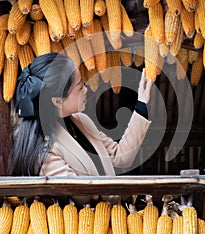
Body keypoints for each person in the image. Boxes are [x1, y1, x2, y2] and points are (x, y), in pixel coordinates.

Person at [9, 52, 153, 179]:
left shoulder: (82, 121)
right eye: (79, 87)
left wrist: (142, 104)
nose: (85, 90)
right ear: (58, 101)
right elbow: (80, 196)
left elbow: (120, 157)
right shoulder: (44, 151)